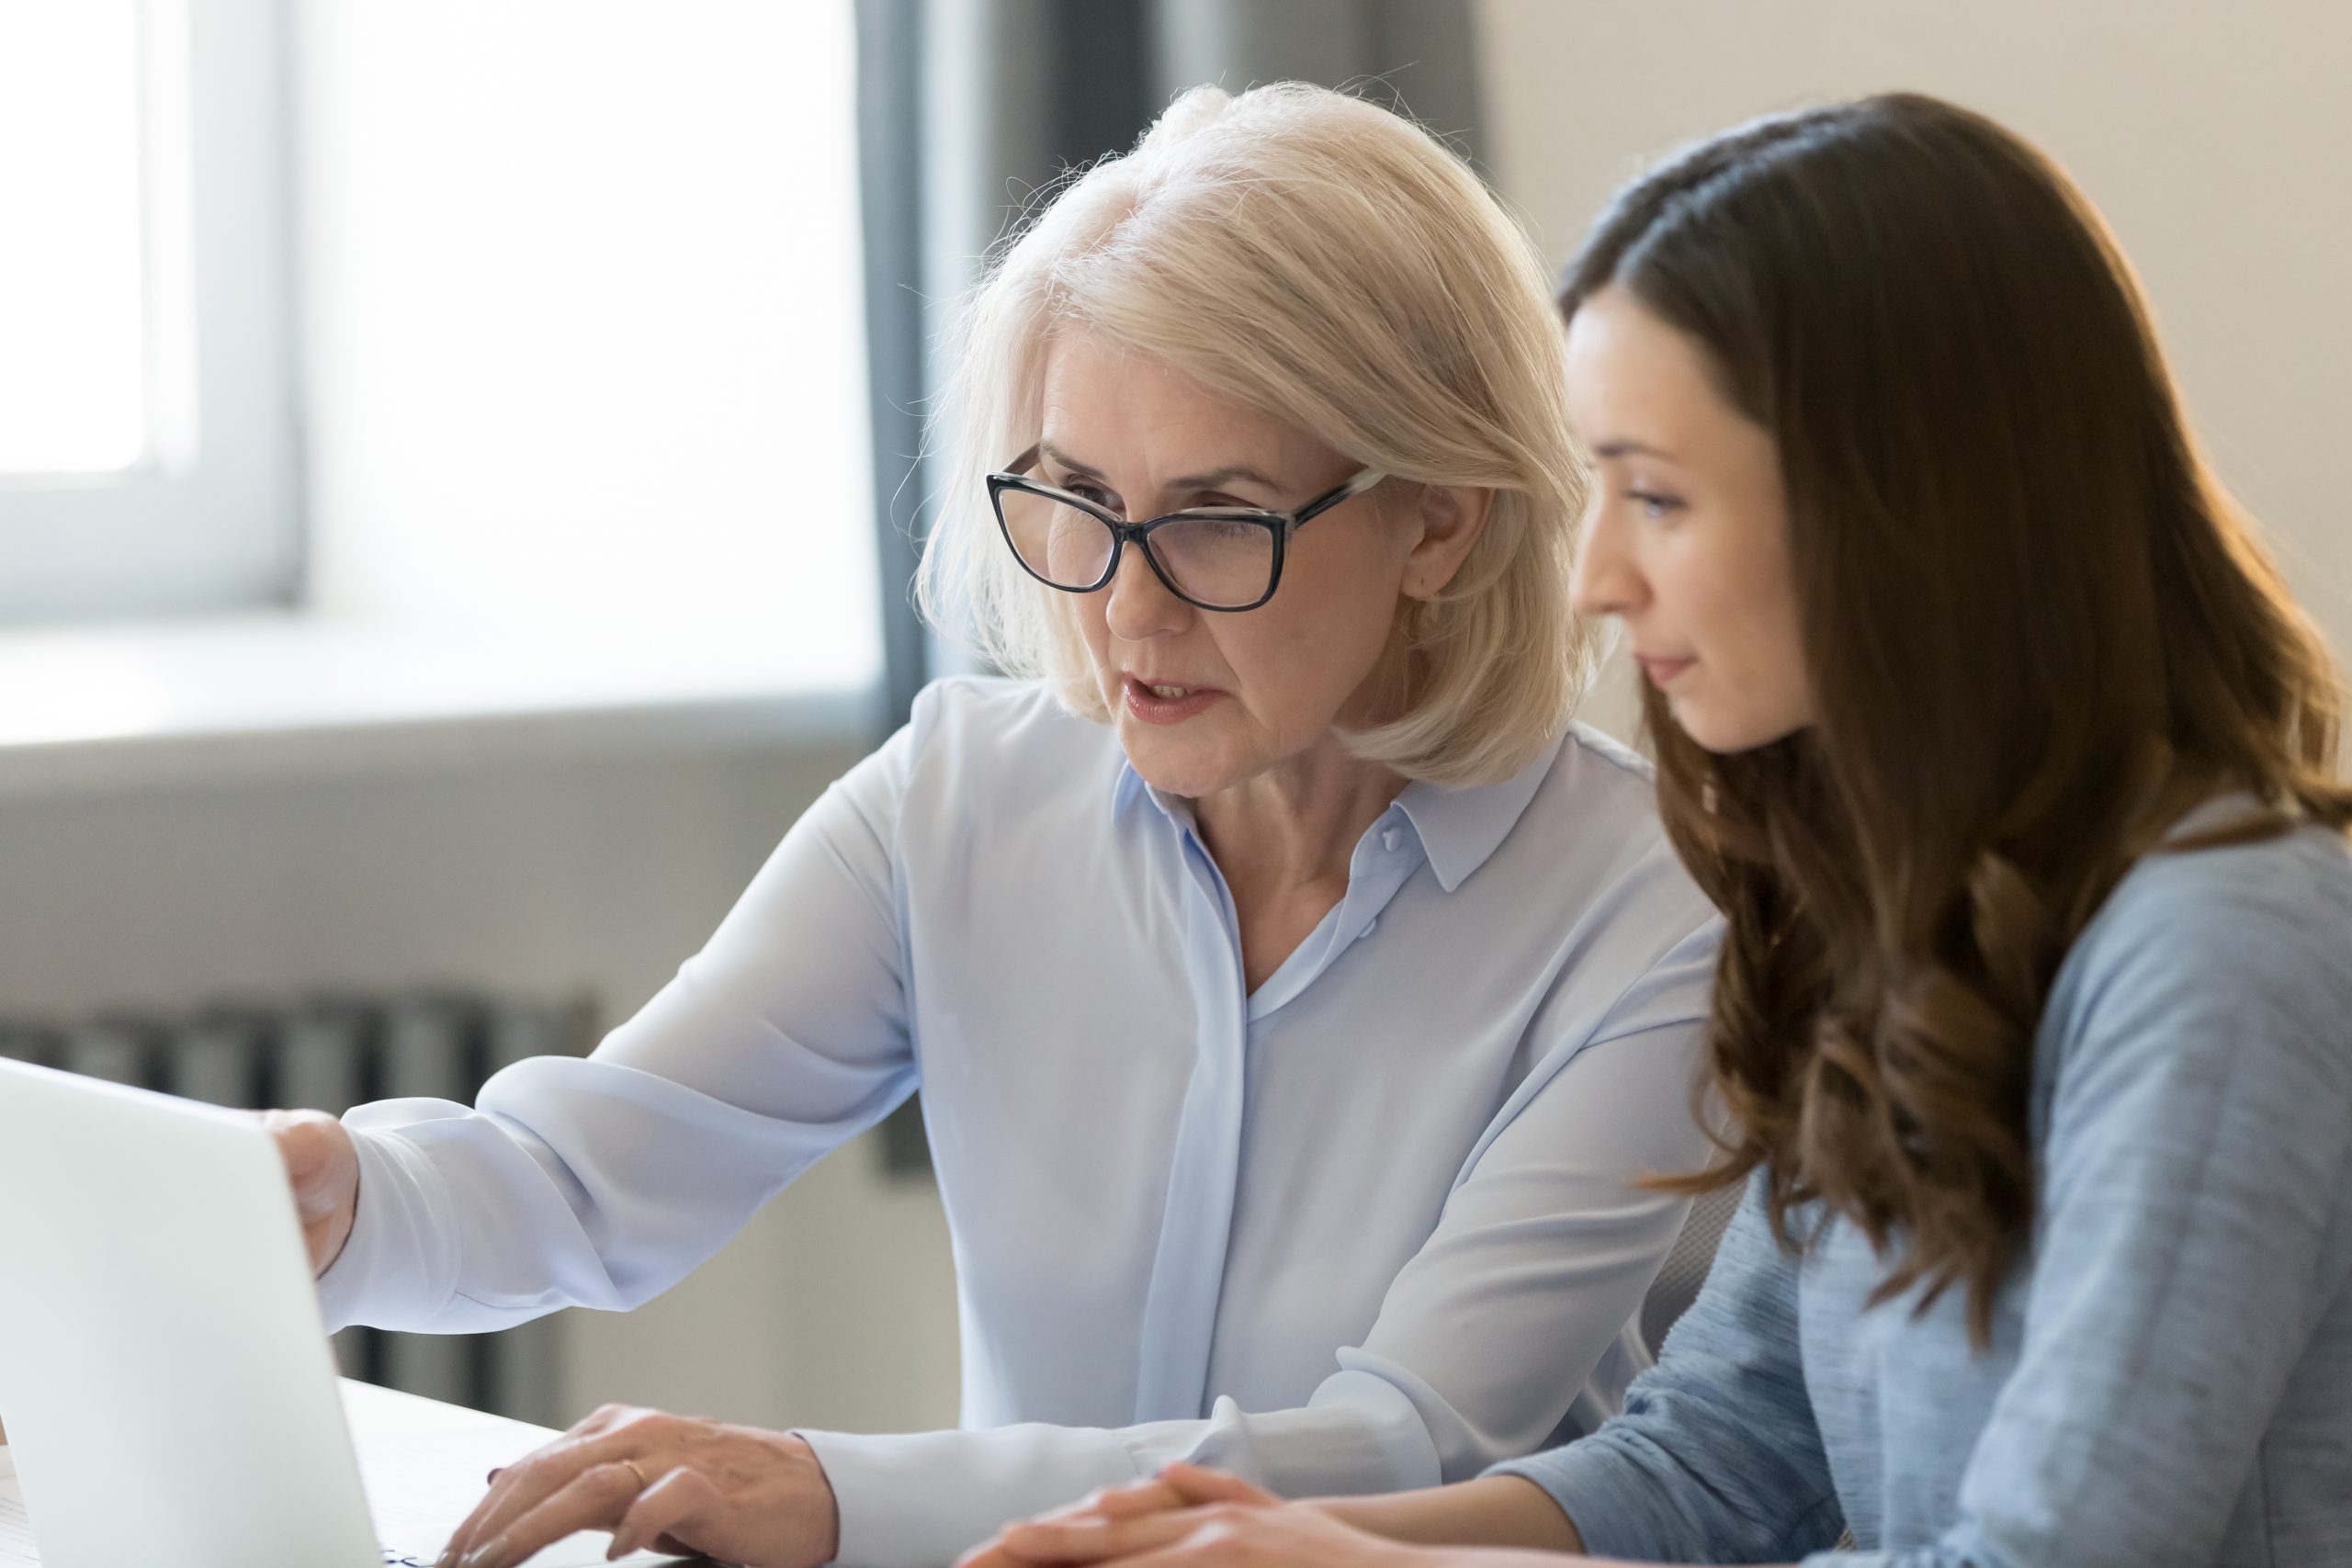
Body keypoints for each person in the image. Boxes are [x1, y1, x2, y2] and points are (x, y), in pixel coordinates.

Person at [270, 83, 1725, 1568]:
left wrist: (832, 1493)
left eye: (1217, 515)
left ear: (1439, 519)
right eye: (1077, 497)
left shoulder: (1653, 919)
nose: (1124, 607)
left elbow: (1406, 1444)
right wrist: (345, 1199)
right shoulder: (961, 798)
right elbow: (588, 1172)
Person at [968, 91, 2352, 1568]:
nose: (1596, 580)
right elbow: (1717, 1466)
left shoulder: (2223, 946)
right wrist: (1278, 1540)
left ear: (1899, 516)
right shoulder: (1896, 928)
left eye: (1658, 496)